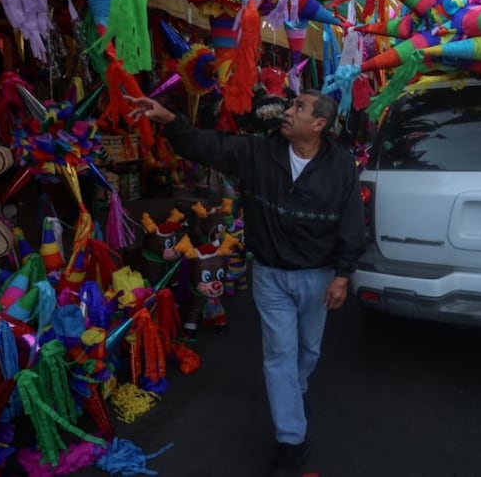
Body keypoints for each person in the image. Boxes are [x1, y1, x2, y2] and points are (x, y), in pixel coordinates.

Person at [126, 90, 366, 476]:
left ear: (319, 124)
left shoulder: (341, 167)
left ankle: (292, 391)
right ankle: (291, 440)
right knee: (279, 356)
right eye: (291, 105)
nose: (287, 112)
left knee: (308, 350)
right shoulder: (259, 152)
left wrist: (342, 274)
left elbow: (352, 222)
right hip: (270, 276)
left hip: (317, 278)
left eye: (299, 108)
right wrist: (172, 121)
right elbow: (209, 145)